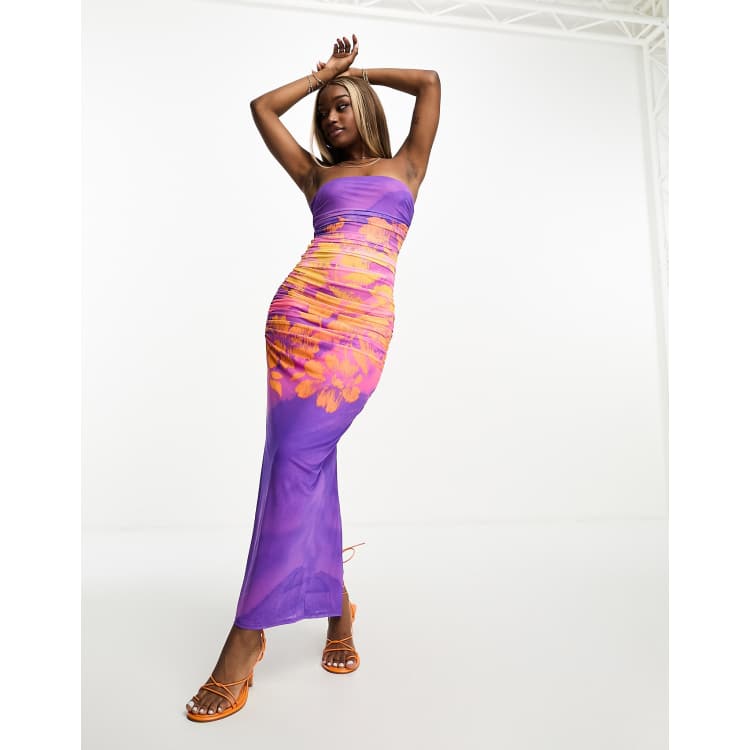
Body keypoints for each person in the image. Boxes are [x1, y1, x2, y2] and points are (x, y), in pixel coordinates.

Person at [186, 33, 440, 721]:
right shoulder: (315, 177)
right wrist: (324, 75)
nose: (329, 117)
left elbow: (429, 81)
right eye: (324, 111)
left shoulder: (408, 164)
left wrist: (360, 74)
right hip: (297, 321)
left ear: (366, 108)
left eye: (341, 106)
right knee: (299, 462)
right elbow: (263, 108)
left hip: (358, 334)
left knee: (298, 461)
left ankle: (250, 636)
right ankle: (332, 612)